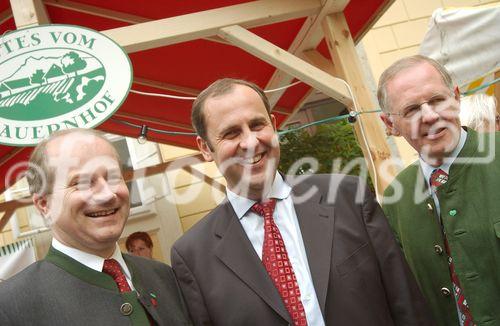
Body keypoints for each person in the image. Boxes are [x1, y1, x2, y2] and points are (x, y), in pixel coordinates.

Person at [171, 78, 434, 326]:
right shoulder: (193, 256)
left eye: (257, 125)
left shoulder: (346, 197)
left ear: (273, 124)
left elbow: (407, 305)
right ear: (205, 147)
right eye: (231, 133)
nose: (250, 141)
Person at [0, 129, 191, 325]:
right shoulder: (11, 306)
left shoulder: (163, 276)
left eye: (114, 177)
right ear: (44, 204)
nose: (107, 194)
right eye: (82, 182)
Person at [379, 55, 500, 326]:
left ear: (456, 98)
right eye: (411, 110)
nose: (430, 116)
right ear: (390, 125)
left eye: (437, 100)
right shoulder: (395, 199)